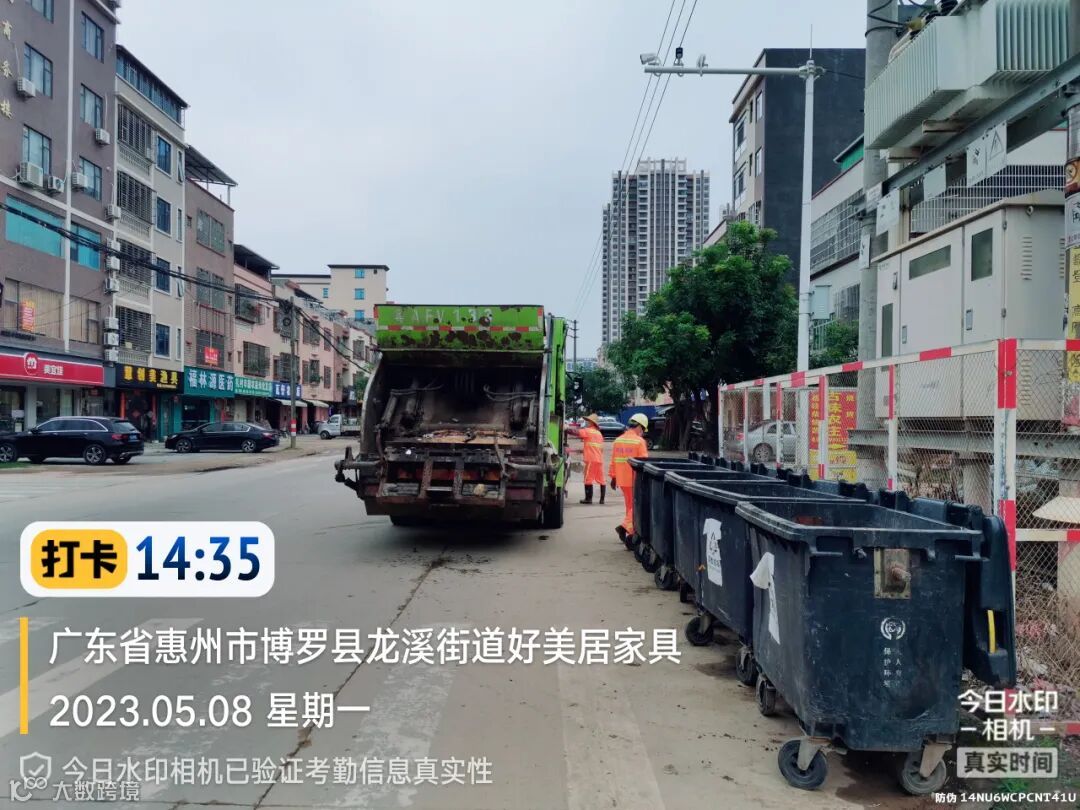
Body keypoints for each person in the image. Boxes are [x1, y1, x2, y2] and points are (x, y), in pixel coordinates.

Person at [608, 413, 649, 543]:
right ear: (639, 426)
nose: (643, 432)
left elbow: (613, 461)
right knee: (636, 506)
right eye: (643, 429)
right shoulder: (639, 442)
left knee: (630, 506)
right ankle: (625, 527)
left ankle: (631, 532)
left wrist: (613, 477)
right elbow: (644, 463)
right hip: (635, 479)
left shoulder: (618, 440)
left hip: (622, 480)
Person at [577, 414, 606, 504]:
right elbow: (598, 447)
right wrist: (584, 450)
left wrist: (566, 428)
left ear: (591, 422)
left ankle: (588, 499)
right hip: (599, 459)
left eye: (588, 421)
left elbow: (576, 432)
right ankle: (602, 500)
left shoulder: (588, 431)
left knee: (588, 479)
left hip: (591, 459)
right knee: (601, 479)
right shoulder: (599, 434)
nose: (587, 422)